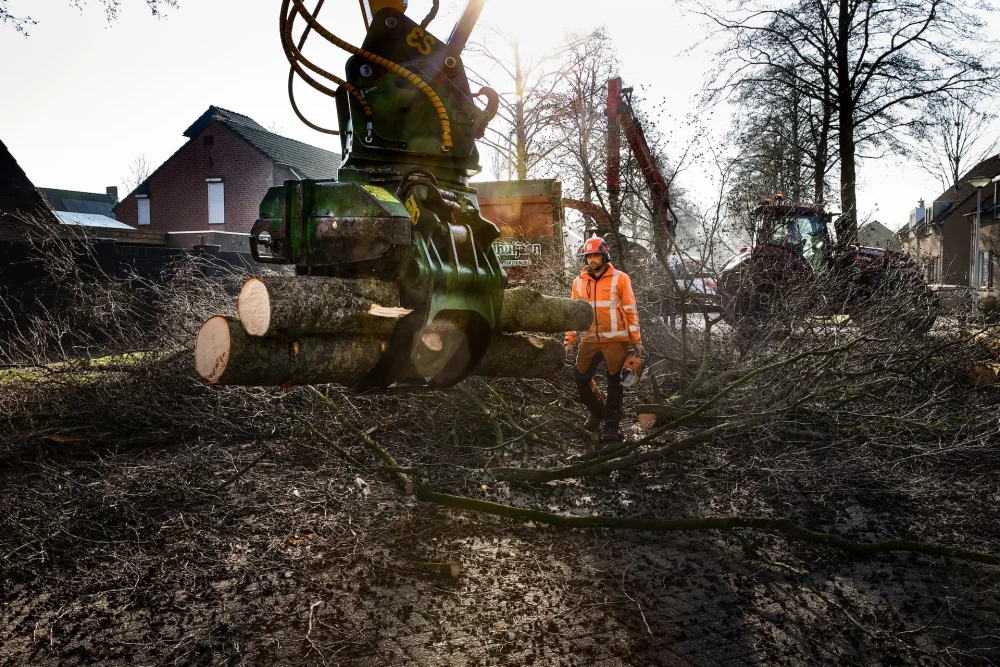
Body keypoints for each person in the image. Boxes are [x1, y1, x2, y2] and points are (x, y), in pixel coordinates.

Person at [564, 236, 643, 442]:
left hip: (616, 340)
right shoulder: (578, 282)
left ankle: (611, 427)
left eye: (596, 255)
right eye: (588, 256)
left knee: (614, 383)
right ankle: (599, 412)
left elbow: (630, 310)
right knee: (581, 378)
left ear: (605, 255)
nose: (592, 259)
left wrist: (636, 340)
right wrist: (569, 339)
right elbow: (574, 314)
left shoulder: (621, 278)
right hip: (589, 339)